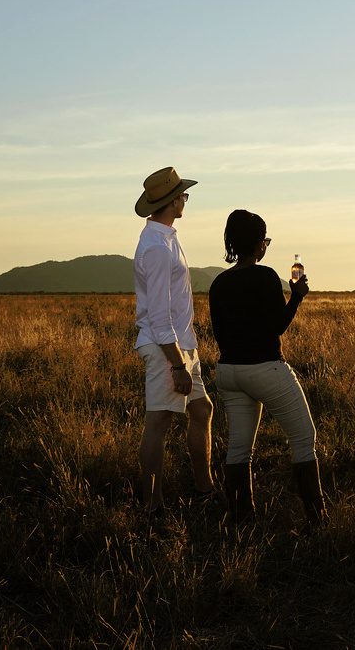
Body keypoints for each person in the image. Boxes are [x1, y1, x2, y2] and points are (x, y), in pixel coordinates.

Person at [208, 209, 326, 529]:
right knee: (304, 438)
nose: (266, 246)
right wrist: (297, 297)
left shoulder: (219, 283)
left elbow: (220, 335)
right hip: (265, 369)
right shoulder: (265, 276)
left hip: (228, 372)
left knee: (239, 450)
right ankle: (318, 521)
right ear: (257, 243)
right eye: (265, 240)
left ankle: (242, 523)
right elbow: (277, 326)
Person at [133, 167, 215, 518]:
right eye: (182, 195)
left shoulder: (165, 238)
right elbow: (157, 315)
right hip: (166, 348)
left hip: (180, 344)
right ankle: (152, 507)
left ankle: (205, 489)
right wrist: (178, 364)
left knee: (202, 410)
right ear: (171, 201)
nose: (185, 199)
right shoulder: (156, 248)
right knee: (159, 422)